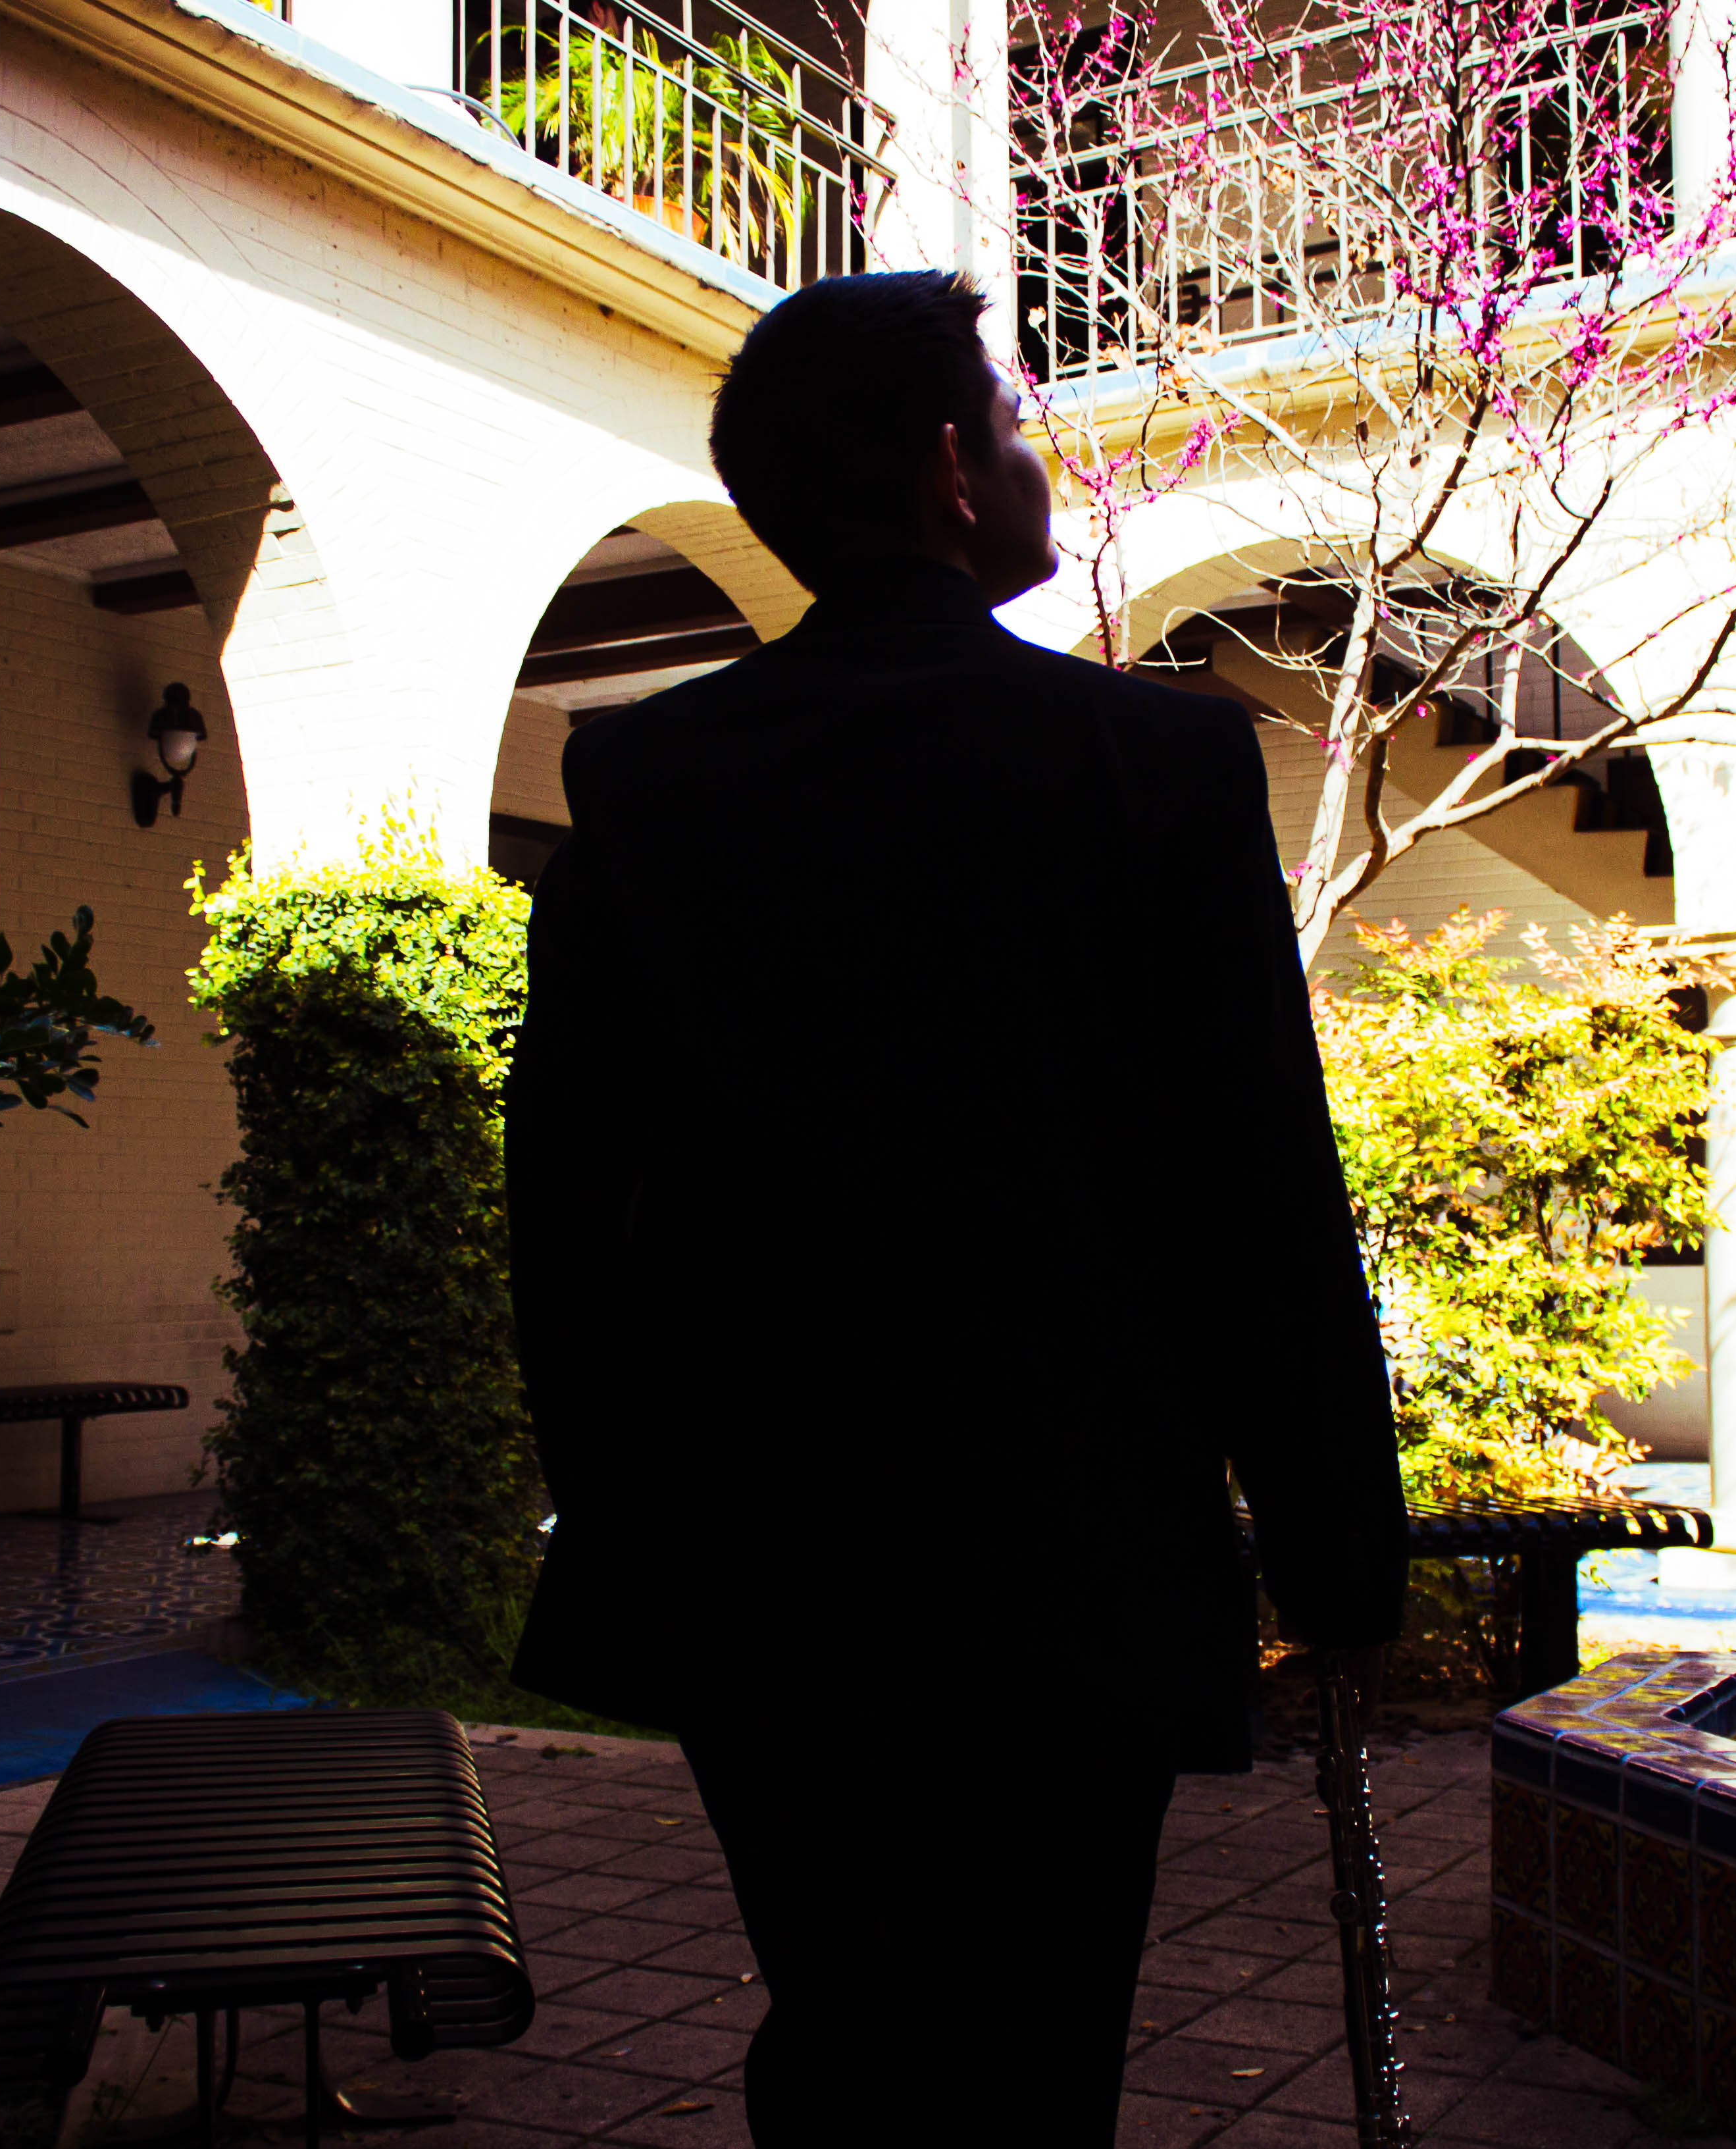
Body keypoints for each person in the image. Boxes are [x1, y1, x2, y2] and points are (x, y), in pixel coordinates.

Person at [503, 270, 1410, 2146]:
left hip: (755, 1556)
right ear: (944, 467)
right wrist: (1338, 1547)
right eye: (1008, 424)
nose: (1029, 458)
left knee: (839, 2018)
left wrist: (622, 1499)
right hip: (1064, 1552)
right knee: (1031, 2049)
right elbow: (1256, 1188)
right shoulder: (1153, 768)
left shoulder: (649, 775)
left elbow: (568, 1204)